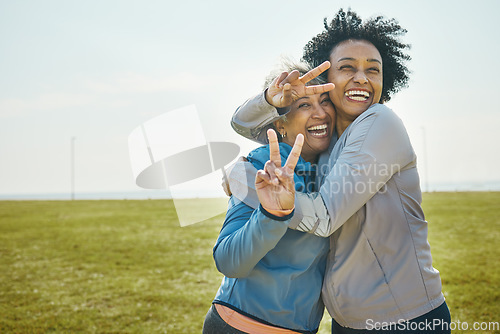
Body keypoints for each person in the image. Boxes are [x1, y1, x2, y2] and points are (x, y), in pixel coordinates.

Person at [226, 9, 451, 334]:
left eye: (373, 70)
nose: (362, 78)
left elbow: (326, 216)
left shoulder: (380, 123)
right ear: (324, 80)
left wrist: (252, 187)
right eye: (347, 68)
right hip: (348, 322)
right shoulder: (329, 140)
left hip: (405, 319)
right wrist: (270, 101)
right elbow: (245, 126)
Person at [203, 60, 336, 334]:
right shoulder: (262, 166)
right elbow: (229, 261)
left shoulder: (336, 167)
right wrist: (271, 214)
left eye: (325, 101)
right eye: (304, 105)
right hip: (240, 325)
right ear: (280, 123)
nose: (321, 113)